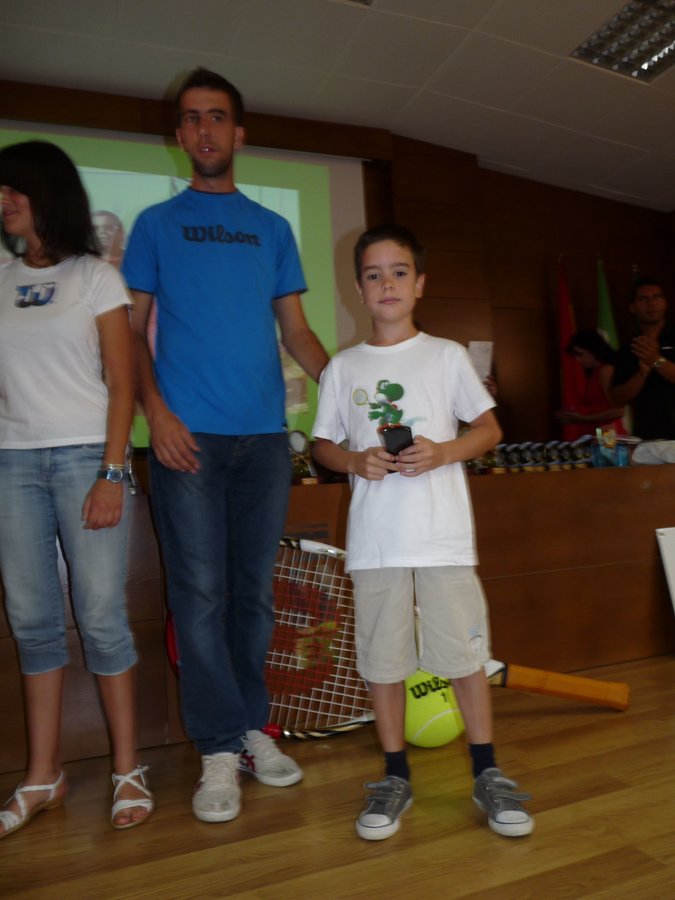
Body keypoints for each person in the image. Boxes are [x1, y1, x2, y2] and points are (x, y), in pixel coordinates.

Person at [121, 68, 329, 824]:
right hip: (188, 443)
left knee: (253, 598)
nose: (204, 129)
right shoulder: (154, 225)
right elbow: (129, 332)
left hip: (265, 443)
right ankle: (216, 747)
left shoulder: (272, 229)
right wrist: (157, 415)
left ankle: (251, 731)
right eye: (191, 118)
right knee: (200, 598)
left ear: (238, 133)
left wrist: (353, 393)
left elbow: (297, 332)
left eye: (217, 117)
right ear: (179, 135)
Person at [312, 224, 533, 841]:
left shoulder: (446, 356)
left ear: (420, 284)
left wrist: (443, 452)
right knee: (382, 662)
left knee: (464, 657)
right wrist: (355, 460)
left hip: (442, 537)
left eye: (399, 271)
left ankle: (487, 771)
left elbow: (489, 430)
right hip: (376, 542)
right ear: (358, 289)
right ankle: (394, 775)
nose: (387, 283)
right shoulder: (343, 367)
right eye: (374, 274)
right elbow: (323, 444)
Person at [0, 141, 152, 838]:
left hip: (88, 457)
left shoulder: (96, 277)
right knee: (32, 620)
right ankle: (44, 776)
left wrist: (112, 472)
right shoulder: (1, 279)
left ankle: (127, 768)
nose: (3, 201)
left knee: (100, 617)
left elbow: (123, 383)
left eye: (14, 189)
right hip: (12, 465)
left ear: (47, 193)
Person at [608, 279, 675, 439]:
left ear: (665, 303)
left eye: (657, 297)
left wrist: (656, 360)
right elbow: (617, 399)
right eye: (643, 299)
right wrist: (641, 374)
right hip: (646, 437)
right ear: (632, 307)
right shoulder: (629, 347)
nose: (651, 304)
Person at [555, 328, 626, 439]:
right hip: (597, 433)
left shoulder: (606, 371)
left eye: (581, 354)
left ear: (594, 350)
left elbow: (618, 411)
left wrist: (582, 418)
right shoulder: (594, 372)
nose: (578, 360)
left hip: (607, 433)